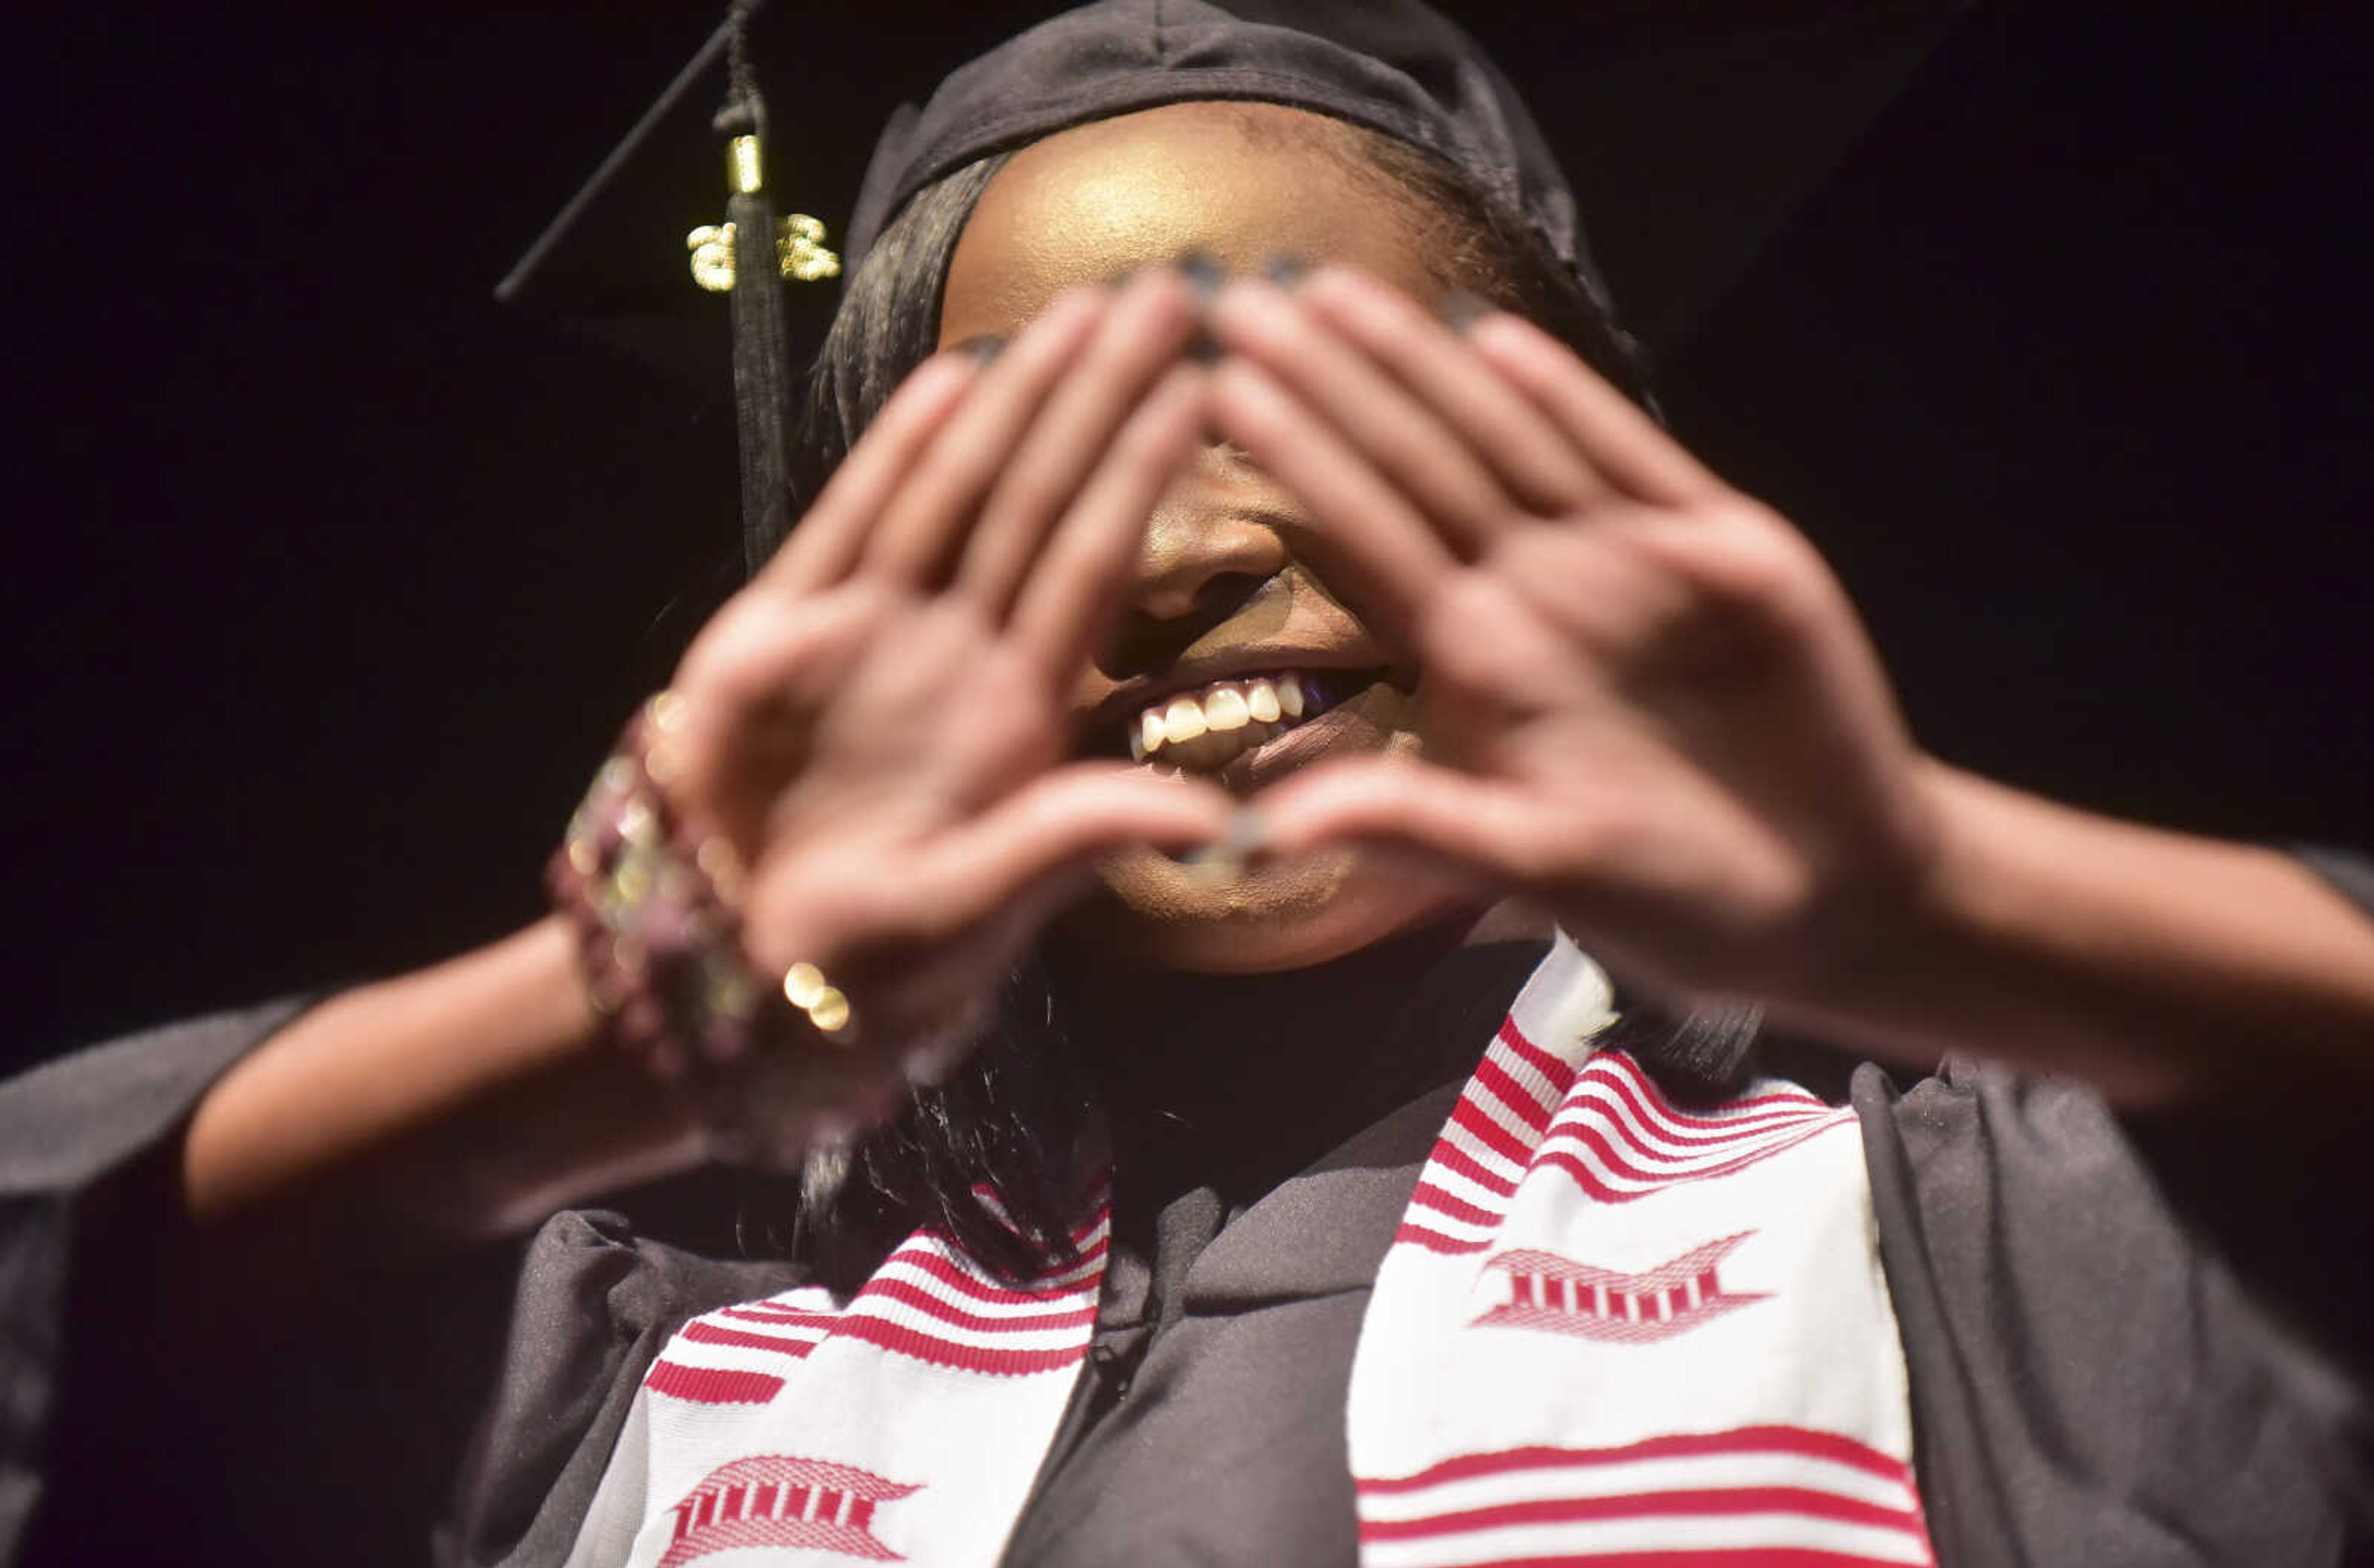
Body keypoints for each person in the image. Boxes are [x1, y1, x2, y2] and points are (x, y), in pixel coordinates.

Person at [5, 3, 2372, 1565]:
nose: (1173, 548)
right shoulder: (634, 1363)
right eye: (1031, 456)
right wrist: (585, 1032)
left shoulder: (2010, 1244)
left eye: (1311, 395)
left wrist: (1943, 907)